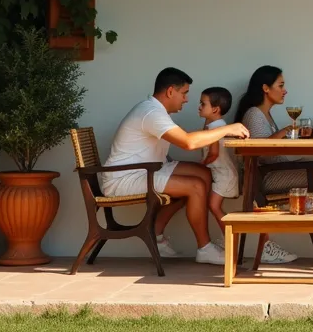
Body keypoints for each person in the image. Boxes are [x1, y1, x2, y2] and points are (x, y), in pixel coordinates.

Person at [99, 67, 249, 266]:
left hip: (147, 170)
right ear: (170, 91)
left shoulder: (155, 110)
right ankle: (205, 248)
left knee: (203, 174)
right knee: (195, 186)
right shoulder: (151, 113)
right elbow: (188, 142)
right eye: (184, 93)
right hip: (124, 179)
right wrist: (228, 128)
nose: (186, 99)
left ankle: (158, 236)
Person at [236, 65, 313, 265]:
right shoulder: (254, 114)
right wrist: (285, 131)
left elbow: (272, 147)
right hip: (268, 177)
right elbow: (260, 152)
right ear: (265, 88)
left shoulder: (265, 114)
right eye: (280, 85)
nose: (285, 90)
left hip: (277, 172)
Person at [197, 87, 239, 243]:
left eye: (203, 103)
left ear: (215, 109)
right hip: (221, 174)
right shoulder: (214, 124)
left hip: (223, 175)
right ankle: (228, 237)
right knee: (212, 206)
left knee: (214, 206)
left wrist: (201, 165)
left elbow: (213, 154)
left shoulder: (216, 128)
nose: (199, 106)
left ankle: (231, 238)